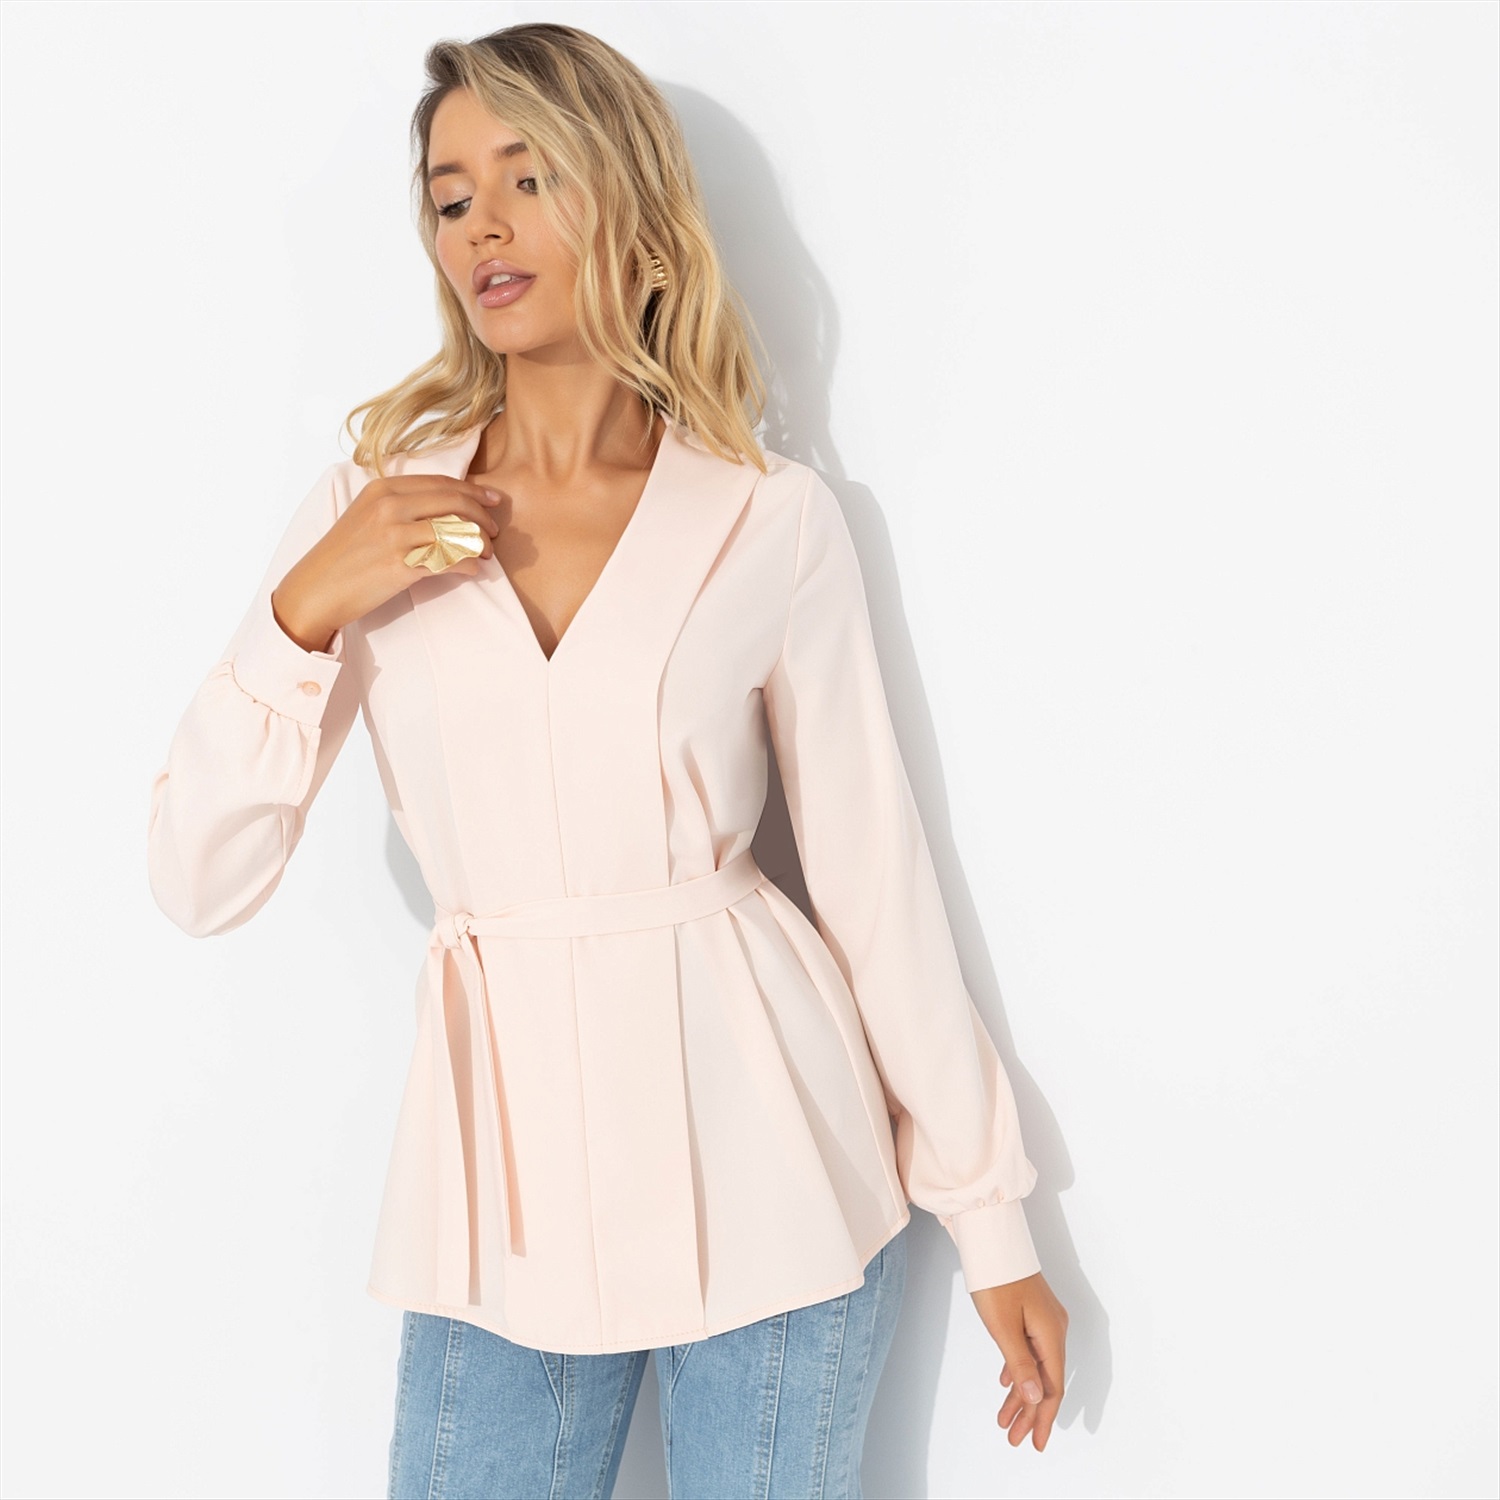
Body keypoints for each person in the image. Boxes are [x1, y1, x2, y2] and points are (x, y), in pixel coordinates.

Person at [146, 21, 1068, 1498]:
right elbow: (197, 879)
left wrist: (993, 1218)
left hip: (778, 1174)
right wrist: (301, 609)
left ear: (630, 205)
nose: (483, 226)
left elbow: (874, 878)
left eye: (530, 177)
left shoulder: (767, 519)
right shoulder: (371, 512)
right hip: (498, 1202)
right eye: (452, 196)